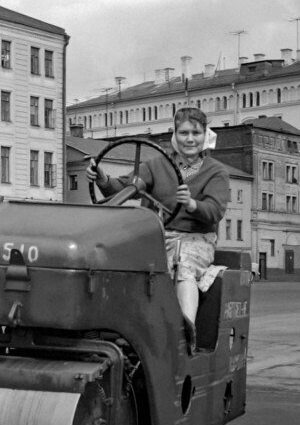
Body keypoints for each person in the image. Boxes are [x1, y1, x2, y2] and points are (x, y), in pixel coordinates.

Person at [86, 107, 229, 352]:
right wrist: (102, 180)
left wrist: (192, 204)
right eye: (184, 132)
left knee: (182, 265)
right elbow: (125, 187)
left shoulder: (216, 171)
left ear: (206, 135)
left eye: (196, 132)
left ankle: (185, 333)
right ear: (175, 135)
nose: (190, 139)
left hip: (197, 239)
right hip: (158, 237)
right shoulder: (156, 165)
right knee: (125, 264)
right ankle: (120, 329)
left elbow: (215, 211)